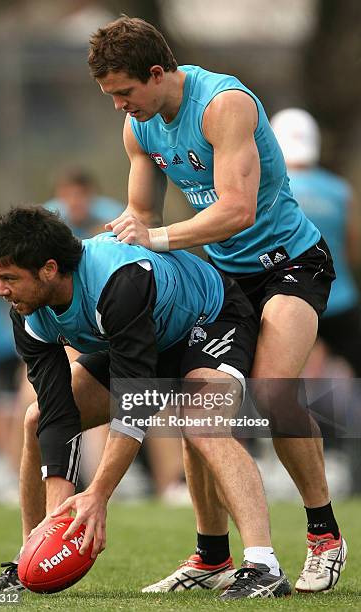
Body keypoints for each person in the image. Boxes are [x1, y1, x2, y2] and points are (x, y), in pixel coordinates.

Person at [87, 16, 346, 594]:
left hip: (290, 266)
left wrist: (153, 238)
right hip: (221, 280)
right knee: (196, 395)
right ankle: (211, 558)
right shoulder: (140, 127)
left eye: (125, 92)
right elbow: (143, 218)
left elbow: (237, 212)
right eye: (110, 96)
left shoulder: (223, 105)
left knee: (274, 393)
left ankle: (325, 536)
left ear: (157, 74)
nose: (119, 106)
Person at [0, 206, 290, 600]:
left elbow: (136, 404)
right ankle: (28, 560)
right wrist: (56, 525)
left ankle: (264, 566)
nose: (1, 291)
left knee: (201, 422)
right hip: (148, 338)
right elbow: (58, 415)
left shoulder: (119, 282)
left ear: (49, 269)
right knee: (35, 417)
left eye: (8, 279)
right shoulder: (27, 314)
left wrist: (99, 493)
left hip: (211, 317)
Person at [271, 108, 361, 377]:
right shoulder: (340, 190)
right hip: (340, 300)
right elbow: (353, 250)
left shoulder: (271, 190)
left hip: (289, 303)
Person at [44, 168, 124, 238]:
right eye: (66, 195)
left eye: (81, 194)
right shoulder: (47, 217)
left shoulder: (114, 215)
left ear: (93, 194)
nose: (74, 201)